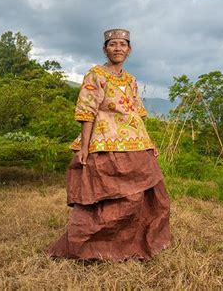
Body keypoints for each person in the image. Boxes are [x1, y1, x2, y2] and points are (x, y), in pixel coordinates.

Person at [45, 28, 171, 261]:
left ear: (129, 50)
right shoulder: (95, 75)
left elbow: (135, 114)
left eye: (123, 45)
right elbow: (87, 112)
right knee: (107, 198)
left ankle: (135, 242)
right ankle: (95, 247)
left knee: (147, 196)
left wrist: (149, 142)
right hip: (104, 142)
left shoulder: (131, 80)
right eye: (113, 44)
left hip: (135, 143)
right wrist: (84, 147)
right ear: (105, 49)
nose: (118, 48)